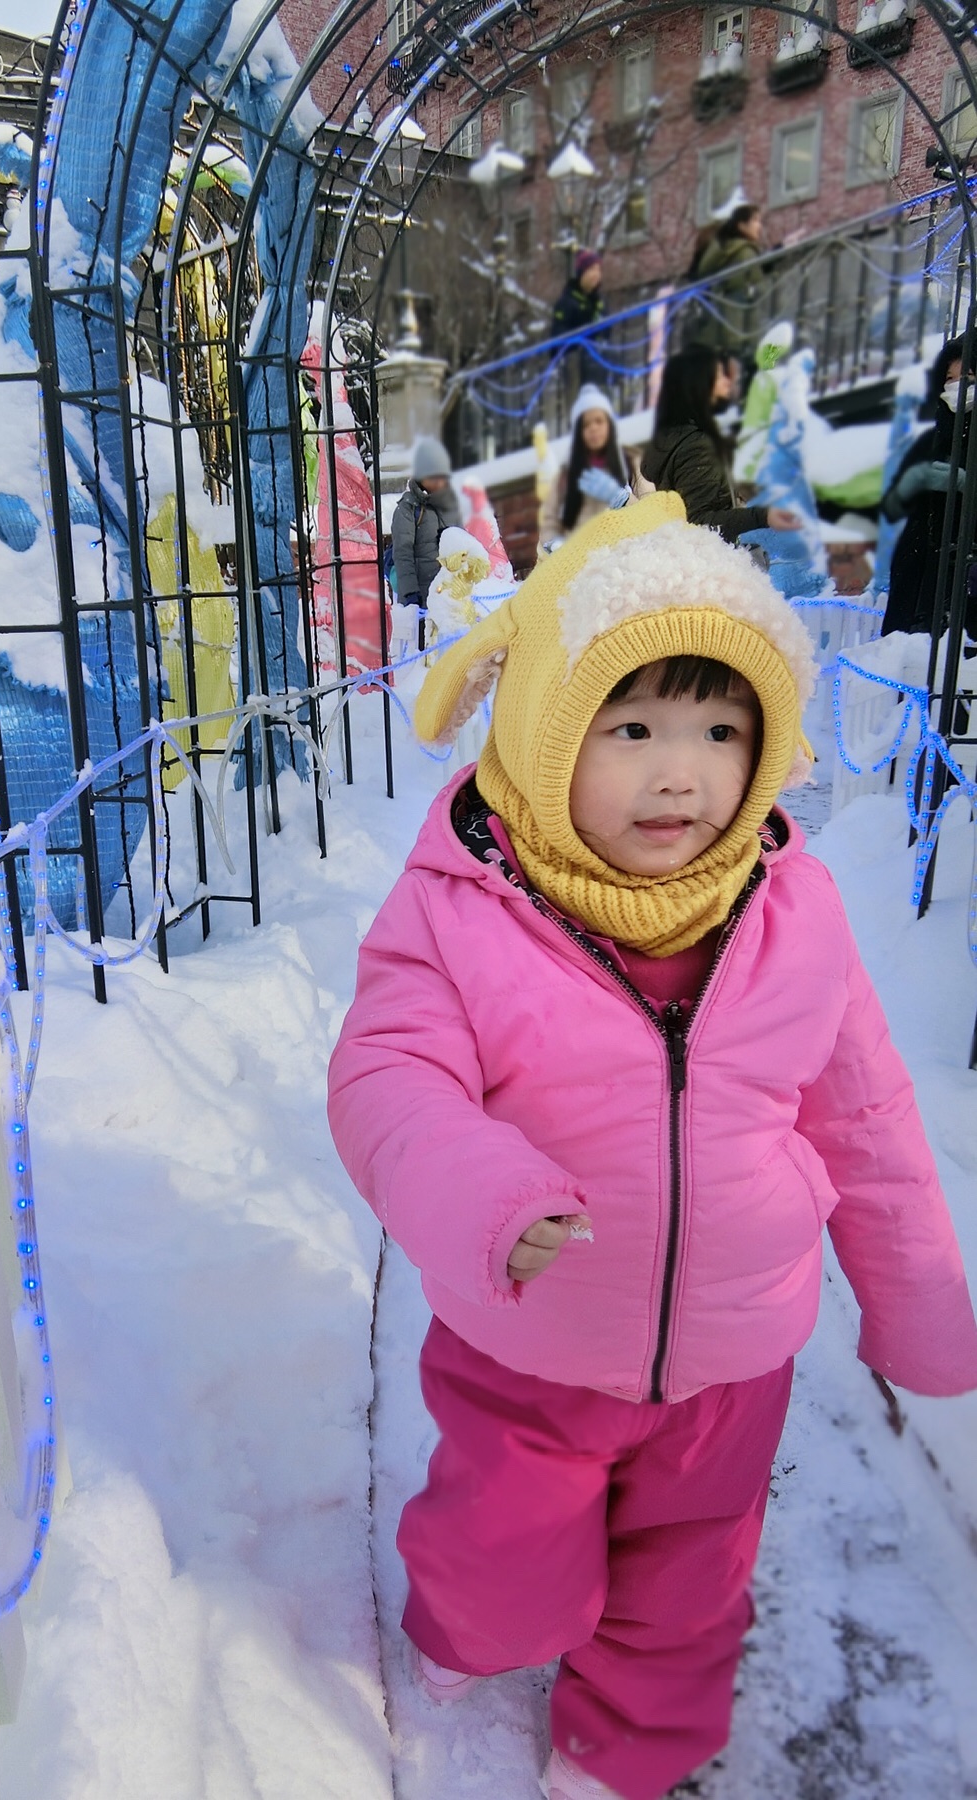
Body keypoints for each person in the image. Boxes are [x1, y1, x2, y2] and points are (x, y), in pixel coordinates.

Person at [328, 493, 977, 1800]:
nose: (678, 773)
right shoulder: (463, 906)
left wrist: (917, 1308)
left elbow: (866, 1120)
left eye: (718, 729)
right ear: (545, 730)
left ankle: (622, 1757)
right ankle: (471, 1632)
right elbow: (387, 1080)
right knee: (502, 1567)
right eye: (629, 729)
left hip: (733, 1365)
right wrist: (486, 1197)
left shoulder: (792, 912)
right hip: (529, 1347)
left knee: (688, 1594)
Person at [641, 345, 797, 543]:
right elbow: (699, 523)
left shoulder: (668, 433)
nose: (727, 382)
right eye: (719, 376)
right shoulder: (698, 446)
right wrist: (763, 516)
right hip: (710, 558)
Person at [879, 333, 975, 638]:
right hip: (921, 539)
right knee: (908, 635)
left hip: (965, 548)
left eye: (968, 375)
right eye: (950, 377)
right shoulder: (930, 415)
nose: (957, 385)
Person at [539, 384, 634, 549]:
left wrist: (622, 498)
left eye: (599, 421)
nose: (593, 428)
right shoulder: (566, 475)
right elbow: (548, 532)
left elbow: (650, 512)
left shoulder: (631, 461)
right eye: (586, 424)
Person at [390, 436, 462, 655]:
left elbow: (462, 544)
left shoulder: (451, 505)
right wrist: (411, 593)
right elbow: (402, 554)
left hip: (449, 593)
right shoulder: (408, 508)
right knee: (422, 654)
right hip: (421, 596)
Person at [688, 204, 764, 377]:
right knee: (767, 356)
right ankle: (761, 387)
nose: (760, 226)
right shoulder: (744, 251)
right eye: (755, 221)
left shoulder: (725, 250)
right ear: (741, 225)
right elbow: (757, 284)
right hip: (745, 326)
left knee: (738, 369)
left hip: (727, 330)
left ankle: (753, 389)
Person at [552, 250, 606, 388]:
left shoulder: (599, 301)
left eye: (598, 269)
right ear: (581, 272)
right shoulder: (566, 302)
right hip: (576, 370)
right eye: (591, 269)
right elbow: (559, 337)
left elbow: (607, 331)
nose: (596, 274)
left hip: (599, 364)